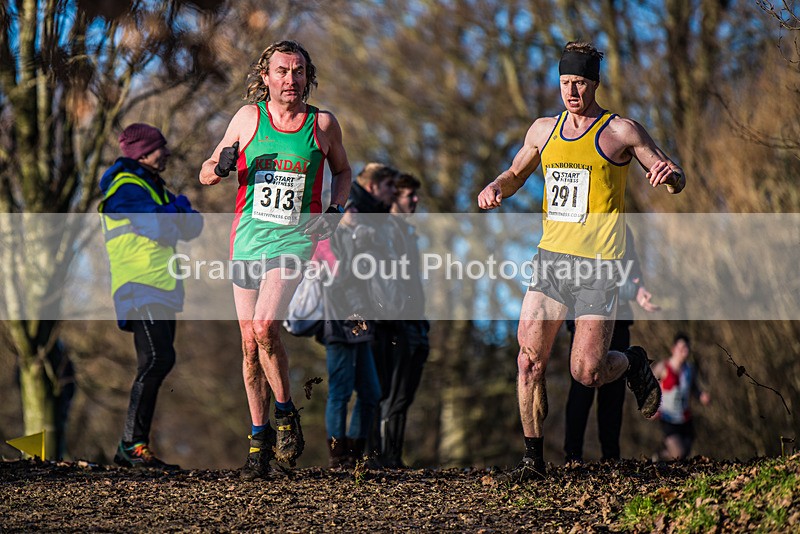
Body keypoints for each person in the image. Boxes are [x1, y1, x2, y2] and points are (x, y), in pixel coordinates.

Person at [477, 41, 686, 482]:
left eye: (580, 83)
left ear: (595, 83)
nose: (572, 91)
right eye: (565, 82)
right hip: (551, 261)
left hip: (598, 266)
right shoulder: (542, 131)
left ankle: (631, 361)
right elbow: (515, 174)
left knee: (586, 372)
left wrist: (671, 177)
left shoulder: (621, 131)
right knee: (528, 360)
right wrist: (496, 186)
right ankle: (532, 460)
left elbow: (671, 174)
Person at [199, 40, 351, 479]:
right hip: (247, 240)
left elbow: (342, 172)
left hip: (294, 240)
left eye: (299, 71)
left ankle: (286, 414)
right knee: (250, 345)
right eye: (282, 71)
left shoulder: (322, 124)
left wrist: (335, 211)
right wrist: (221, 163)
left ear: (308, 76)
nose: (291, 80)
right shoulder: (248, 119)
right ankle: (257, 445)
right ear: (265, 77)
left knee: (266, 326)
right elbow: (206, 171)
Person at [100, 122, 203, 469]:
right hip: (138, 285)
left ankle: (132, 446)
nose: (168, 152)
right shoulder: (125, 187)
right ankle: (131, 444)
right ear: (142, 153)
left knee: (159, 360)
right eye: (161, 147)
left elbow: (195, 225)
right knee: (158, 359)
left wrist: (177, 212)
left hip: (160, 286)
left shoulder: (151, 187)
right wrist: (180, 208)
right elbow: (158, 226)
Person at [321, 163, 397, 468]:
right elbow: (337, 275)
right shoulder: (339, 223)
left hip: (362, 318)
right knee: (340, 389)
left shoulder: (362, 225)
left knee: (370, 391)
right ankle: (338, 456)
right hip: (340, 317)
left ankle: (353, 453)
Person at [564, 226, 660, 464]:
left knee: (613, 392)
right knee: (581, 390)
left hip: (618, 319)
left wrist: (640, 292)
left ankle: (611, 458)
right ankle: (573, 458)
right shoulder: (573, 225)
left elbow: (632, 268)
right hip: (582, 318)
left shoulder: (623, 228)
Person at [370, 173, 430, 468]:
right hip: (393, 324)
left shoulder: (407, 234)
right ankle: (381, 459)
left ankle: (393, 456)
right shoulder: (382, 231)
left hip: (414, 324)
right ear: (395, 198)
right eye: (410, 195)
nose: (416, 200)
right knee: (388, 396)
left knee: (403, 397)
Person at [653, 333, 710, 460]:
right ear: (673, 349)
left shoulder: (690, 369)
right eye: (681, 348)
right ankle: (658, 457)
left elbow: (694, 389)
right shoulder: (662, 368)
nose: (684, 352)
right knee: (678, 453)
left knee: (685, 453)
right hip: (667, 417)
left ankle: (671, 472)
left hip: (685, 417)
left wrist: (702, 396)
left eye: (686, 348)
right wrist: (652, 409)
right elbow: (649, 389)